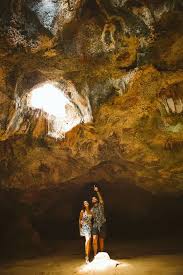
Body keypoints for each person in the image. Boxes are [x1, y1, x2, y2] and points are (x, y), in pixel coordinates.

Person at [91, 185, 106, 256]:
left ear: (96, 200)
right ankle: (95, 255)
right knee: (94, 239)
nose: (93, 199)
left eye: (94, 198)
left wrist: (97, 191)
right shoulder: (92, 209)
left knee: (101, 240)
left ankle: (102, 254)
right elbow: (89, 217)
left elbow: (101, 199)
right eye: (92, 199)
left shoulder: (101, 205)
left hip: (102, 224)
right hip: (95, 225)